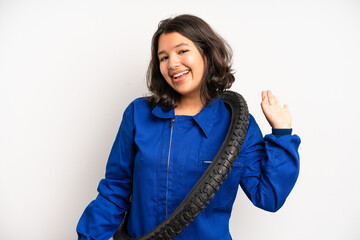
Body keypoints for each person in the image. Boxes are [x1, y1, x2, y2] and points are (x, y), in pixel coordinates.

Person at [76, 14, 301, 240]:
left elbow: (269, 197)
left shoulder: (237, 125)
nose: (172, 63)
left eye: (182, 51)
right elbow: (115, 191)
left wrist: (281, 134)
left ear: (206, 53)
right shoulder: (138, 114)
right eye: (163, 57)